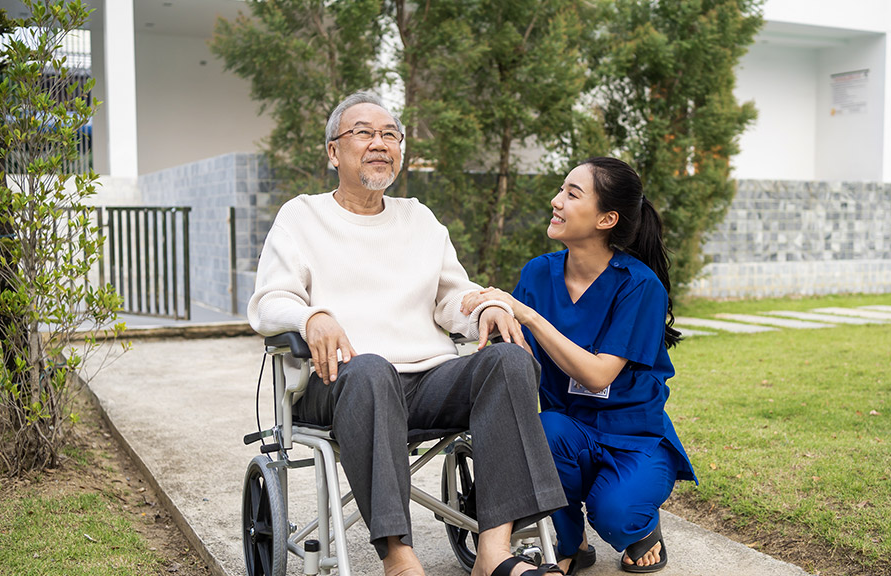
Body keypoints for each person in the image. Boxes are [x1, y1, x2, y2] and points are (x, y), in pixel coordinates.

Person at [248, 91, 567, 576]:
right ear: (334, 152)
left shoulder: (419, 218)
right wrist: (311, 317)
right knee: (371, 367)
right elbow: (270, 300)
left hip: (425, 382)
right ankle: (398, 558)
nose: (379, 143)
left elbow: (454, 298)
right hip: (340, 384)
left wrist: (487, 308)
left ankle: (495, 552)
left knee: (510, 360)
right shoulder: (301, 217)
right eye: (363, 133)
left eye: (390, 134)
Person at [462, 157, 698, 574]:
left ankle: (641, 525)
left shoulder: (640, 286)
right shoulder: (539, 273)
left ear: (607, 218)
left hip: (633, 436)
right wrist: (488, 308)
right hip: (567, 431)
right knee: (546, 430)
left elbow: (597, 374)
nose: (556, 201)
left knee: (618, 515)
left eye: (572, 194)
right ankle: (573, 543)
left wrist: (530, 316)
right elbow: (517, 348)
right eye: (561, 189)